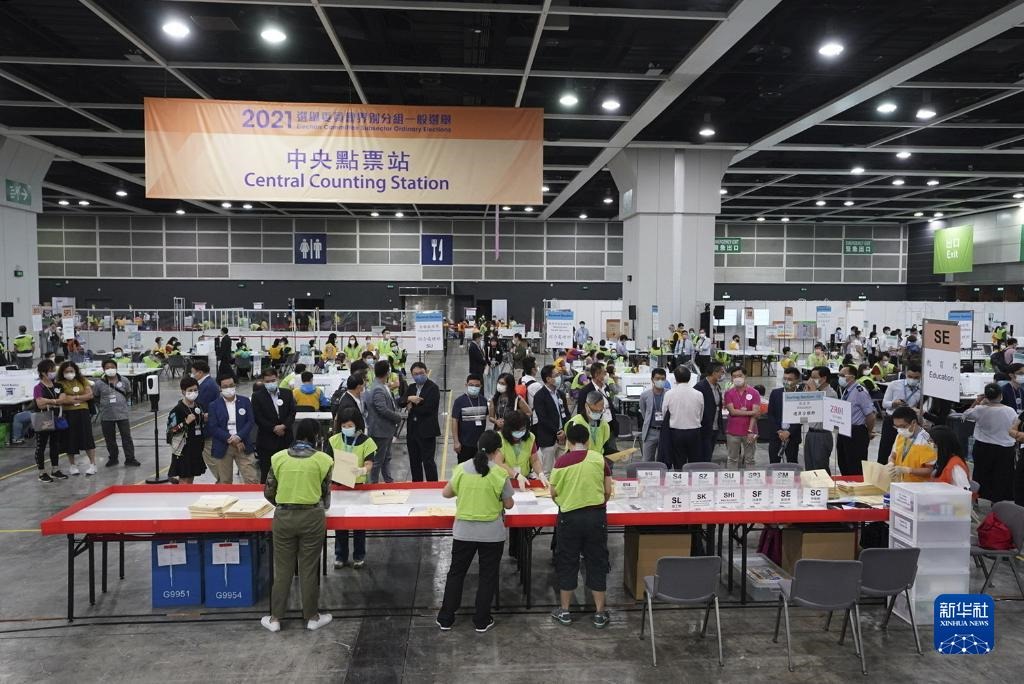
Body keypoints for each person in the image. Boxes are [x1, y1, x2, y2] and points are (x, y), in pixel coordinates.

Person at [436, 430, 514, 633]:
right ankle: (481, 620)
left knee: (456, 573)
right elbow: (509, 504)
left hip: (464, 531)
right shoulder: (499, 474)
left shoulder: (462, 469)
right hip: (491, 534)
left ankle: (446, 618)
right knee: (487, 576)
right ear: (497, 451)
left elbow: (446, 493)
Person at [262, 418, 334, 633]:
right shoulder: (324, 460)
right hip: (312, 517)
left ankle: (275, 618)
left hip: (284, 517)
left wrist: (285, 503)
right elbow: (326, 496)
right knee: (308, 568)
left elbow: (268, 492)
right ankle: (312, 617)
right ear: (317, 437)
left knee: (283, 569)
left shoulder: (278, 458)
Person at [550, 423, 613, 629]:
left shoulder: (561, 462)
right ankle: (600, 613)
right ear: (588, 441)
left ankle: (565, 611)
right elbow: (607, 490)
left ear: (568, 441)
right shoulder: (599, 459)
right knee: (597, 561)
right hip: (596, 517)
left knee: (567, 561)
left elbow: (553, 493)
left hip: (569, 518)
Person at [328, 408, 376, 569]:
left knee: (359, 523)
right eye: (344, 426)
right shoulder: (334, 440)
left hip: (358, 488)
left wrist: (363, 470)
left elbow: (369, 463)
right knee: (340, 522)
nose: (346, 428)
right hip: (339, 486)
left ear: (357, 424)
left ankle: (359, 556)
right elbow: (327, 461)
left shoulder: (367, 442)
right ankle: (340, 556)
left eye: (350, 425)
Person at [968, 383, 1018, 503]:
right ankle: (997, 502)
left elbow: (966, 415)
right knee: (1001, 476)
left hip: (983, 447)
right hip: (1004, 449)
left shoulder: (980, 409)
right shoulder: (1010, 411)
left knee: (980, 474)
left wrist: (977, 401)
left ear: (985, 396)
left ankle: (976, 498)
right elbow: (1016, 425)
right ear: (1001, 395)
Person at [206, 376, 260, 484]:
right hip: (223, 446)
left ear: (235, 385)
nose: (229, 388)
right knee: (225, 481)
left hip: (243, 444)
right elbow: (213, 427)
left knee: (252, 479)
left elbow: (250, 421)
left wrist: (238, 437)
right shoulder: (213, 405)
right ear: (220, 388)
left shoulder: (245, 401)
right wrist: (231, 439)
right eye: (225, 386)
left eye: (231, 385)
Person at [92, 359, 139, 467]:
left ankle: (130, 458)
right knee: (110, 439)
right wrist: (103, 406)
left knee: (126, 437)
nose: (110, 369)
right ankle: (113, 458)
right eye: (107, 368)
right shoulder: (99, 384)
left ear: (116, 368)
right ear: (103, 369)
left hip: (122, 414)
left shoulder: (124, 380)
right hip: (106, 415)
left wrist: (122, 402)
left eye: (112, 367)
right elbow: (96, 397)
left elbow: (128, 393)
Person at [252, 368, 297, 483]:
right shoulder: (257, 396)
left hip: (286, 439)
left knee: (287, 472)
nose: (271, 383)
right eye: (267, 381)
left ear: (277, 378)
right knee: (266, 473)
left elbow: (292, 413)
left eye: (273, 380)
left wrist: (284, 426)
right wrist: (274, 428)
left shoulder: (287, 393)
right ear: (263, 381)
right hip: (267, 440)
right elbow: (258, 417)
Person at [659, 366, 708, 468]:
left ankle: (679, 476)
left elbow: (664, 413)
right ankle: (693, 477)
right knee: (695, 462)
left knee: (678, 461)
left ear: (675, 378)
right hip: (694, 431)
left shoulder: (669, 394)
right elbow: (701, 413)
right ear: (689, 378)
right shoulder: (698, 394)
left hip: (676, 432)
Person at [401, 362, 441, 482]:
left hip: (427, 431)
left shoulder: (433, 388)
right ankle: (416, 486)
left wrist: (412, 407)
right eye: (415, 374)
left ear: (426, 372)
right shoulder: (411, 387)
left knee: (428, 462)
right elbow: (400, 402)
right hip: (412, 432)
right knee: (414, 462)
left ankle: (432, 486)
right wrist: (409, 398)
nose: (418, 376)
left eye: (421, 373)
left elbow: (428, 408)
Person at [55, 361, 96, 476]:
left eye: (71, 371)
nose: (69, 373)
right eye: (66, 371)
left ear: (76, 371)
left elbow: (90, 395)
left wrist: (74, 398)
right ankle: (72, 465)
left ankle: (93, 464)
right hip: (68, 413)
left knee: (87, 437)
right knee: (70, 439)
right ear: (62, 372)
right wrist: (81, 398)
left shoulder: (82, 380)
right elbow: (63, 400)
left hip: (83, 412)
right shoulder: (59, 384)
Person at [364, 360, 402, 483]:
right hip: (380, 430)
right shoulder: (378, 388)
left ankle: (388, 481)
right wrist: (397, 417)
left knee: (386, 457)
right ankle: (373, 484)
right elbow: (382, 409)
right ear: (387, 372)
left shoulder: (381, 386)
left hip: (385, 429)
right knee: (378, 461)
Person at [877, 362, 923, 463]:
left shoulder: (922, 389)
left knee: (904, 451)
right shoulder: (894, 385)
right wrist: (893, 403)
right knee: (885, 450)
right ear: (905, 373)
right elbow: (884, 404)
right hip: (891, 421)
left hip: (907, 424)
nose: (913, 379)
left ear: (920, 377)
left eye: (916, 377)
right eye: (910, 376)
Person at [836, 365, 876, 476]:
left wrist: (869, 431)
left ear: (852, 377)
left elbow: (870, 415)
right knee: (843, 462)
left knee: (855, 465)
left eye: (842, 375)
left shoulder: (860, 391)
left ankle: (856, 485)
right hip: (844, 430)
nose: (840, 378)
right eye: (839, 375)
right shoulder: (847, 390)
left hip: (856, 431)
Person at [166, 377, 208, 484]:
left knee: (191, 477)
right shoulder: (177, 410)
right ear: (183, 392)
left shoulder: (198, 406)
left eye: (195, 390)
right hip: (183, 450)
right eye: (190, 390)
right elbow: (170, 432)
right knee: (184, 479)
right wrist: (185, 423)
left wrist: (204, 418)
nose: (193, 393)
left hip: (196, 448)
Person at [32, 360, 68, 482]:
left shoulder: (58, 386)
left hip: (57, 417)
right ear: (43, 372)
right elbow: (40, 404)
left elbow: (63, 399)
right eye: (51, 370)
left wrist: (49, 401)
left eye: (54, 370)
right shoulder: (38, 387)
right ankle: (42, 472)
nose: (53, 373)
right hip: (43, 417)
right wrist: (55, 402)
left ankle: (55, 469)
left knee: (55, 444)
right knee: (41, 445)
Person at [533, 364, 570, 474]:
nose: (559, 377)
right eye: (556, 375)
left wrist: (564, 430)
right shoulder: (539, 396)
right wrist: (557, 432)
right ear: (548, 379)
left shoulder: (560, 394)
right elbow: (543, 418)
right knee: (547, 471)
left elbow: (566, 414)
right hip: (548, 438)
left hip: (563, 438)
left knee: (563, 469)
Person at [885, 406, 936, 484]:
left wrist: (908, 470)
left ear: (913, 423)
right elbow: (893, 455)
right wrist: (890, 463)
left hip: (917, 485)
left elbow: (930, 470)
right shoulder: (900, 435)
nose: (899, 430)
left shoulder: (926, 441)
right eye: (897, 426)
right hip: (899, 482)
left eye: (902, 426)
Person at [495, 410, 544, 488]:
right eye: (516, 430)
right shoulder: (500, 438)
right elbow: (499, 463)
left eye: (522, 429)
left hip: (524, 479)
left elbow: (534, 460)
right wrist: (516, 475)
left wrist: (540, 473)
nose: (519, 432)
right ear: (508, 429)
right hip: (504, 481)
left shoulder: (530, 438)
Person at [723, 367, 760, 469]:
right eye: (734, 376)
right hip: (733, 431)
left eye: (740, 376)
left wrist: (750, 430)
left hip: (750, 432)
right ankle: (732, 478)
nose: (737, 378)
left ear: (745, 376)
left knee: (750, 459)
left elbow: (755, 415)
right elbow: (732, 412)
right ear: (731, 378)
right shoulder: (728, 393)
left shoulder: (754, 393)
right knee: (732, 458)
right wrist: (752, 412)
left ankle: (750, 478)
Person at [803, 366, 838, 472]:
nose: (811, 380)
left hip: (822, 434)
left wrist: (814, 393)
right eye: (811, 377)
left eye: (814, 377)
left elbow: (823, 413)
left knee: (820, 467)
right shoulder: (814, 391)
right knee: (809, 466)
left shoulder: (831, 394)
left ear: (824, 378)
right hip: (810, 432)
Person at [767, 367, 802, 464]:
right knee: (774, 463)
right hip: (776, 435)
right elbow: (771, 414)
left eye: (790, 379)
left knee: (792, 463)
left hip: (793, 436)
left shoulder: (801, 395)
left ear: (797, 380)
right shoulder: (776, 393)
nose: (786, 381)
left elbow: (801, 418)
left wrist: (789, 432)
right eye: (785, 378)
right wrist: (779, 431)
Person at [451, 373, 488, 465]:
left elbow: (488, 417)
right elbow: (454, 421)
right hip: (464, 444)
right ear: (466, 385)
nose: (474, 387)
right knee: (464, 469)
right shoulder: (459, 401)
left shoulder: (484, 400)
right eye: (471, 385)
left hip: (480, 444)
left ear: (481, 386)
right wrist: (456, 441)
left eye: (477, 386)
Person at [927, 425, 972, 494]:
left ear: (942, 445)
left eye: (932, 442)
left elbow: (965, 494)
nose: (929, 445)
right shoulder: (941, 461)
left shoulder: (956, 467)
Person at [694, 362, 724, 462]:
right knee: (703, 456)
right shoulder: (700, 387)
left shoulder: (717, 386)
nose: (722, 375)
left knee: (709, 454)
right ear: (714, 372)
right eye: (721, 372)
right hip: (704, 427)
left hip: (714, 426)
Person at [638, 367, 668, 462]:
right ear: (652, 379)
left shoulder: (669, 394)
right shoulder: (644, 395)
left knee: (663, 460)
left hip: (665, 431)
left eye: (662, 379)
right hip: (650, 431)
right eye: (657, 378)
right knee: (647, 460)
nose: (660, 381)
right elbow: (644, 412)